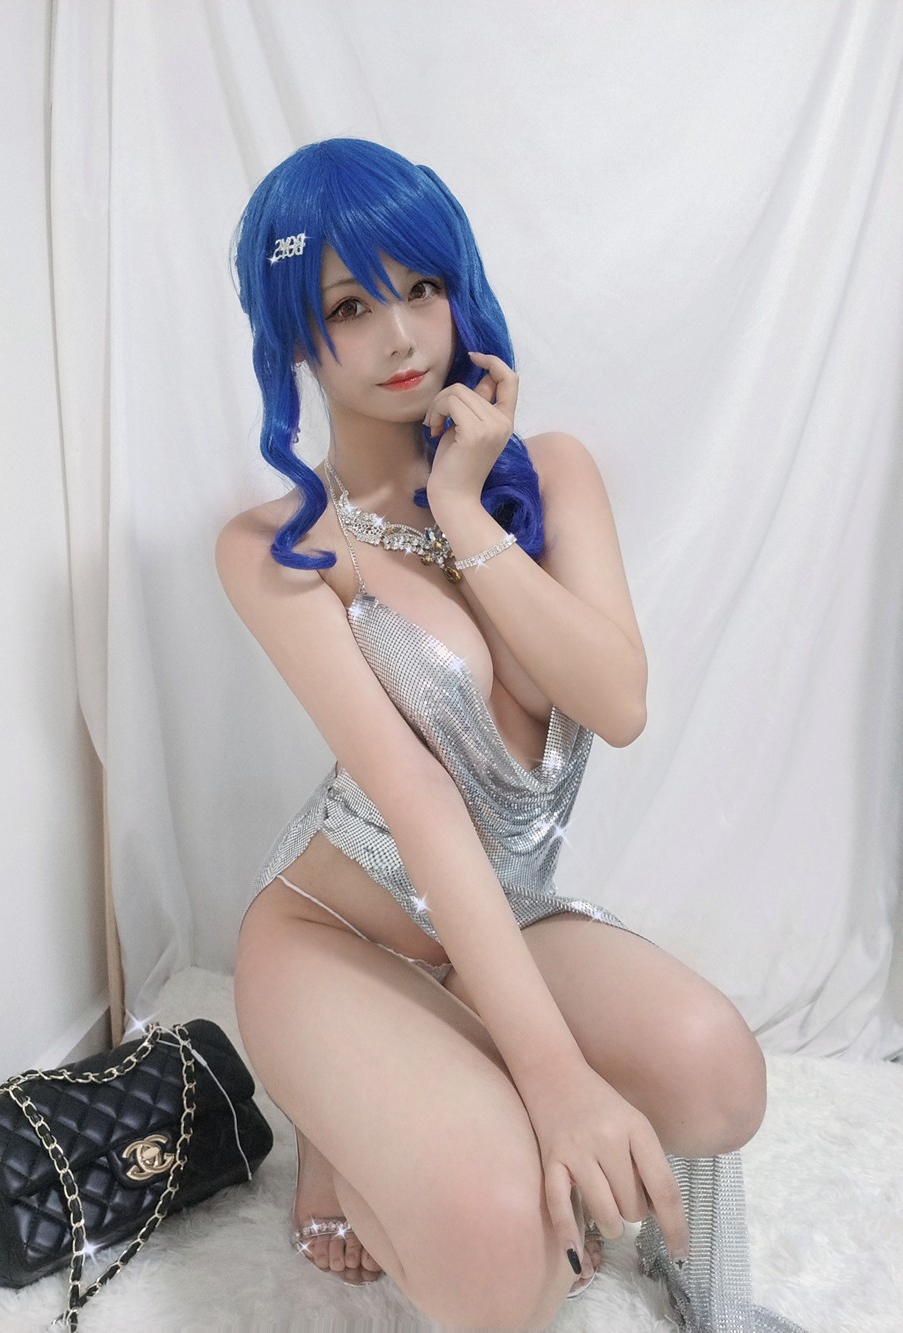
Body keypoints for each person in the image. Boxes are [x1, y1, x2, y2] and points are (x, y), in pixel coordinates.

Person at [216, 138, 794, 1331]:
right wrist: (556, 1078)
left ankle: (474, 1098)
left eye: (421, 287)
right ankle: (341, 1131)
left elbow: (616, 705)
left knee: (719, 1072)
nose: (401, 336)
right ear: (294, 337)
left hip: (503, 914)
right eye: (349, 307)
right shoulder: (281, 547)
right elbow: (417, 796)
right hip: (336, 936)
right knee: (506, 1257)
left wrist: (462, 508)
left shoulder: (551, 476)